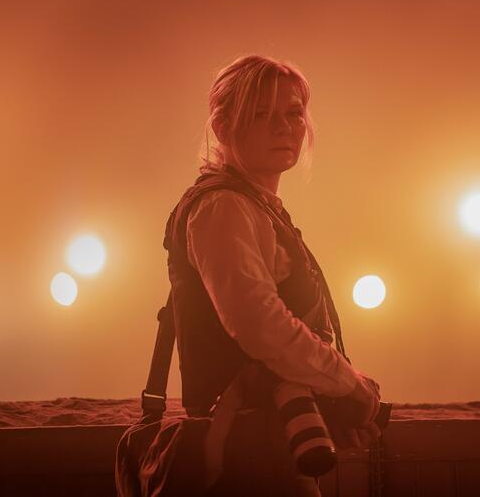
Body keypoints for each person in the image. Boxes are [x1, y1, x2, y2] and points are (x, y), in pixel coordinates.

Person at [163, 55, 381, 496]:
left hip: (267, 440)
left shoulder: (251, 205)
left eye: (293, 112)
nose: (284, 126)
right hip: (243, 451)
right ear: (223, 129)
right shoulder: (223, 207)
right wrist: (346, 383)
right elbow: (258, 324)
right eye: (261, 113)